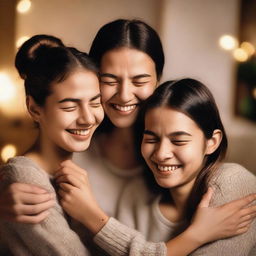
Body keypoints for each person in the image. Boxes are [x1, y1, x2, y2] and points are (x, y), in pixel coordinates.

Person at [0, 20, 256, 254]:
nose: (124, 95)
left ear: (158, 81)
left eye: (140, 80)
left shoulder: (186, 161)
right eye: (109, 80)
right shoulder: (73, 147)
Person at [56, 79, 256, 255]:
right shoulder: (135, 195)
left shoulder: (234, 183)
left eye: (178, 141)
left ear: (212, 142)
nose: (161, 154)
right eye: (151, 139)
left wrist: (93, 216)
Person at [0, 35, 105, 255]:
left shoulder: (68, 173)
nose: (87, 118)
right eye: (69, 107)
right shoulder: (26, 181)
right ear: (34, 109)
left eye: (95, 103)